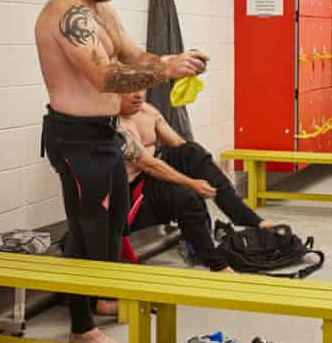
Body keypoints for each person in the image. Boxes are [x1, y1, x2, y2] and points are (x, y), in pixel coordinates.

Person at [36, 0, 209, 343]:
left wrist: (175, 61)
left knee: (113, 229)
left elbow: (134, 57)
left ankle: (102, 301)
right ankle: (82, 328)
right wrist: (165, 71)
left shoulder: (100, 12)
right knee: (85, 232)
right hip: (75, 141)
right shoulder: (67, 16)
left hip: (105, 135)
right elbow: (104, 75)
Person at [117, 89, 275, 273]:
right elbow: (149, 165)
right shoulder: (115, 125)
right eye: (129, 90)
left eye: (141, 87)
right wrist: (191, 183)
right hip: (135, 193)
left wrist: (204, 169)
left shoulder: (146, 110)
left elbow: (179, 144)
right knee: (185, 196)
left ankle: (245, 216)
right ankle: (217, 265)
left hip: (155, 169)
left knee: (192, 152)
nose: (138, 95)